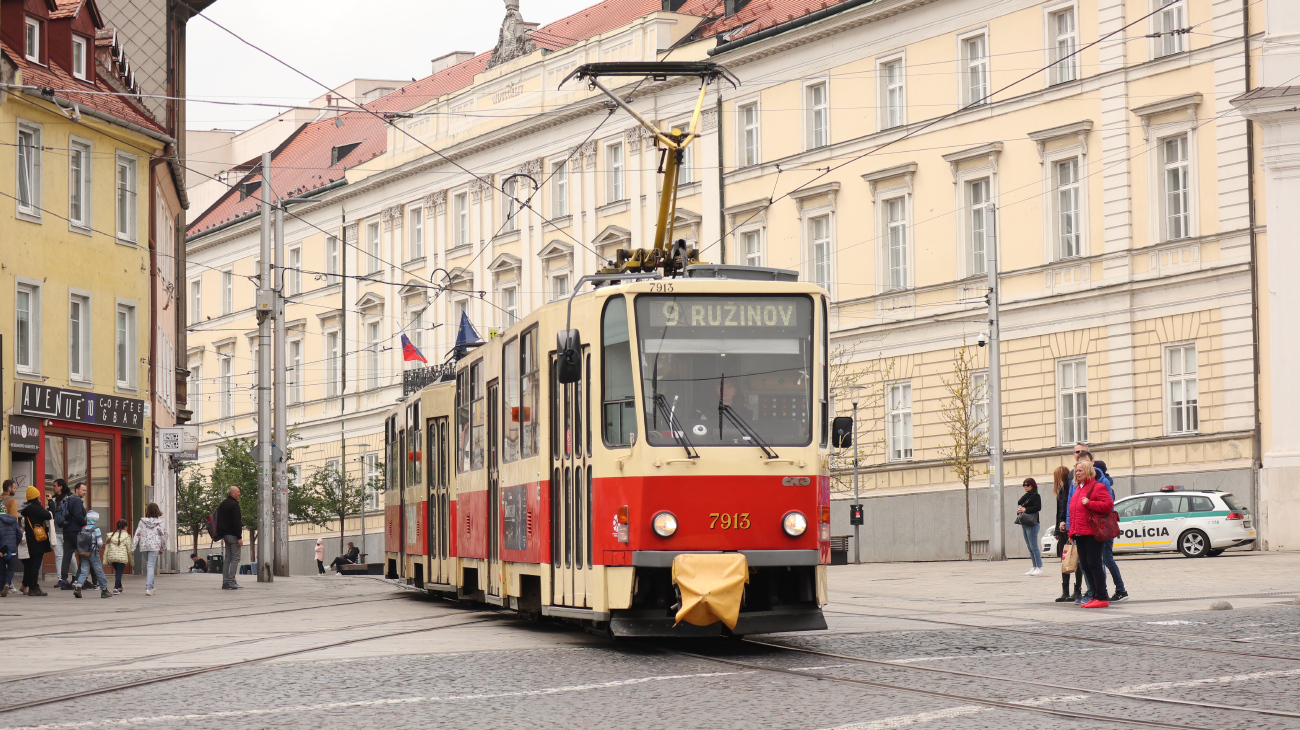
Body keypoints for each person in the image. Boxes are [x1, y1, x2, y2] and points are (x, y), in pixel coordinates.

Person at [1067, 461, 1113, 609]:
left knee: (1094, 564)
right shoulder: (1077, 489)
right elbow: (1075, 513)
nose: (1077, 473)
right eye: (1076, 471)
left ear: (1088, 471)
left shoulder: (1097, 487)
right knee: (1085, 565)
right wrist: (1071, 532)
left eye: (1080, 470)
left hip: (1092, 532)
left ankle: (1102, 596)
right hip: (1079, 533)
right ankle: (1094, 595)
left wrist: (1090, 503)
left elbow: (1108, 505)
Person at [1052, 466, 1083, 602]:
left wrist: (1061, 526)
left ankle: (1072, 591)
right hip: (1064, 526)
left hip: (1067, 527)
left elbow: (1063, 510)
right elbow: (1060, 510)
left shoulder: (1065, 489)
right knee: (1069, 559)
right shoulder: (1064, 489)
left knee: (1072, 558)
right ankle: (1070, 591)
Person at [19, 487, 53, 597]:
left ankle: (27, 585)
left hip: (31, 539)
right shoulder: (35, 508)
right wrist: (50, 502)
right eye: (38, 497)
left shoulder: (28, 508)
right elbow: (49, 515)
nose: (39, 498)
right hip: (37, 539)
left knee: (31, 563)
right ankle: (34, 587)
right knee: (35, 564)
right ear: (35, 498)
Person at [72, 510, 109, 599]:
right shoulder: (96, 529)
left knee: (84, 570)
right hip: (93, 552)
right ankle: (104, 590)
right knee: (98, 570)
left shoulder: (83, 528)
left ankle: (78, 587)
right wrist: (98, 547)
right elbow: (99, 542)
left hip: (84, 552)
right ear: (96, 519)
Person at [132, 503, 166, 596]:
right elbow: (163, 536)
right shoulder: (160, 523)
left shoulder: (142, 521)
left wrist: (133, 547)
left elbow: (137, 534)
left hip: (144, 546)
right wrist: (162, 548)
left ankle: (152, 587)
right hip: (155, 546)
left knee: (150, 565)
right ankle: (148, 587)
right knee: (150, 566)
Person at [58, 482, 87, 590]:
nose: (85, 492)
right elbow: (78, 515)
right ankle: (81, 580)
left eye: (86, 491)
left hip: (66, 530)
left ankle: (64, 580)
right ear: (77, 490)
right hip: (76, 531)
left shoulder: (67, 499)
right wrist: (85, 524)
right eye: (83, 490)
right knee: (83, 555)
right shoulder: (77, 500)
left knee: (67, 556)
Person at [216, 486, 243, 590]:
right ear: (232, 493)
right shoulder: (234, 505)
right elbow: (236, 522)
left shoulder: (223, 504)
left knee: (227, 558)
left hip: (225, 535)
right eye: (238, 492)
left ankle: (225, 581)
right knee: (236, 558)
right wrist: (239, 537)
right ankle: (231, 580)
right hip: (233, 535)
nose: (239, 494)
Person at [1016, 478, 1042, 575]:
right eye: (1024, 485)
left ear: (1033, 485)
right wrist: (1021, 509)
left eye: (1028, 485)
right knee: (1029, 546)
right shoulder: (1027, 496)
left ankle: (1039, 566)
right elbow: (1020, 502)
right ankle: (1034, 566)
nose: (1026, 487)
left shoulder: (1036, 495)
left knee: (1033, 545)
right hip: (1025, 523)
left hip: (1032, 523)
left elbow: (1038, 507)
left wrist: (1025, 509)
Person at [104, 519, 132, 595]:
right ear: (126, 527)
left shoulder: (110, 536)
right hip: (122, 558)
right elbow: (129, 550)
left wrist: (105, 560)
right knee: (119, 573)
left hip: (112, 557)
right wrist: (131, 562)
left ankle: (120, 586)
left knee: (118, 572)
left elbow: (107, 548)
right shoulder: (127, 536)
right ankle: (116, 589)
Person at [0, 497, 21, 597]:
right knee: (11, 568)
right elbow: (19, 534)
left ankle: (1, 589)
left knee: (2, 570)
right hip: (12, 550)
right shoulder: (13, 520)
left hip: (2, 550)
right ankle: (7, 583)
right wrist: (15, 546)